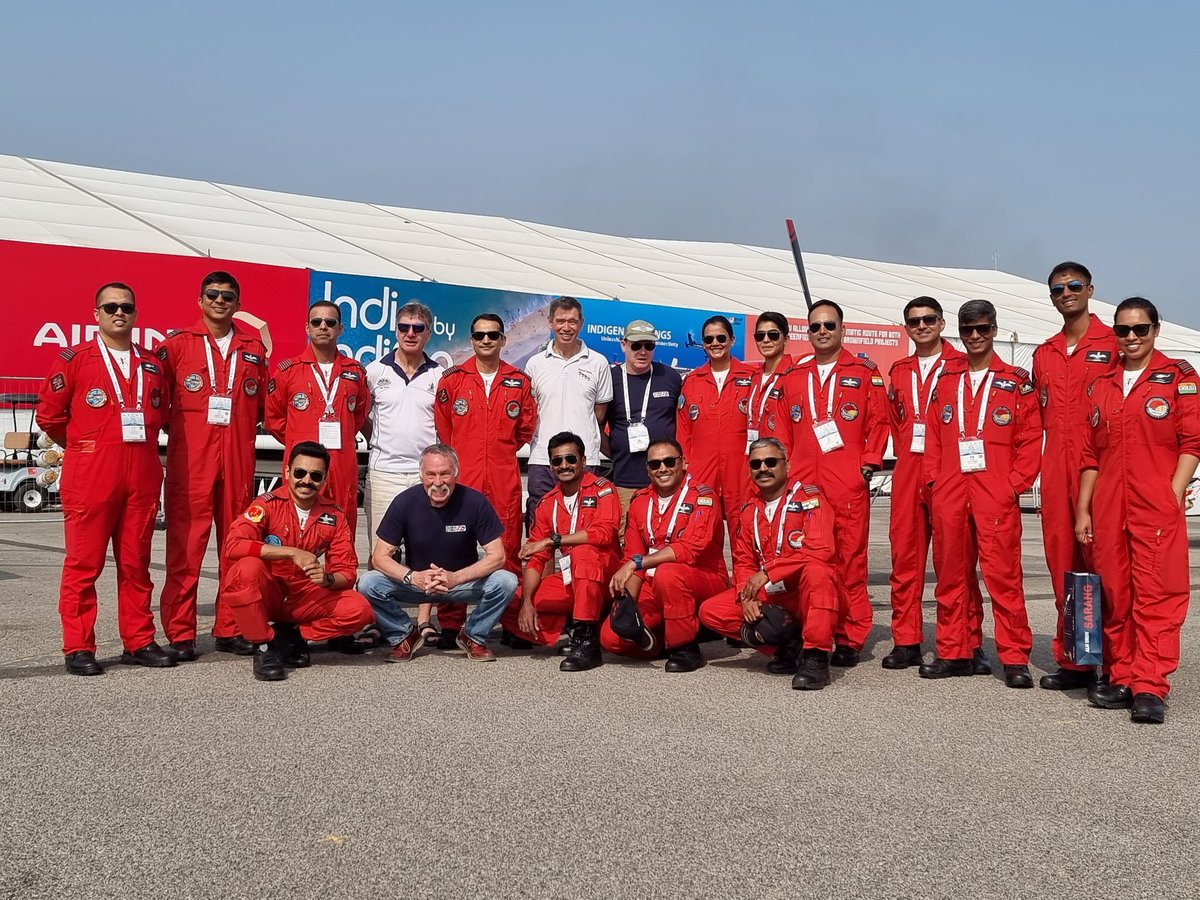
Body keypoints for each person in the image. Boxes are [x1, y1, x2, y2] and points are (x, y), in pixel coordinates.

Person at [38, 282, 173, 675]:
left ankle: (139, 640)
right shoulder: (75, 359)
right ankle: (78, 646)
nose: (119, 313)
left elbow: (161, 414)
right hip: (92, 472)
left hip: (142, 472)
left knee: (137, 563)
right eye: (110, 306)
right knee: (84, 564)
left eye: (127, 307)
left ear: (135, 313)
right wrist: (84, 444)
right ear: (95, 314)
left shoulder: (151, 364)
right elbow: (49, 415)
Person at [1076, 297, 1200, 724]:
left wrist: (1172, 491)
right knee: (1116, 594)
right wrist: (1084, 511)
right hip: (1109, 505)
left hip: (1154, 504)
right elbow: (1091, 455)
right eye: (1124, 330)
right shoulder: (1101, 386)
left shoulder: (1178, 378)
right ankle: (1122, 675)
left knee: (1157, 595)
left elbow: (1192, 443)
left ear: (1155, 330)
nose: (1131, 337)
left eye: (1140, 329)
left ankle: (1150, 685)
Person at [922, 299, 1041, 688]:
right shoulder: (946, 380)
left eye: (983, 329)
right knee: (951, 576)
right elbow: (934, 441)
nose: (975, 336)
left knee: (1003, 577)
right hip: (951, 489)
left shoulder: (1015, 380)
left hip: (995, 490)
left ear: (994, 330)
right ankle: (956, 651)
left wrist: (1013, 485)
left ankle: (1013, 656)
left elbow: (1030, 438)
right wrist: (936, 483)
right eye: (968, 329)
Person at [764, 300, 888, 667]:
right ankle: (806, 632)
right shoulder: (794, 376)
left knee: (849, 561)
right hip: (803, 485)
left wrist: (867, 464)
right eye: (815, 327)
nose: (822, 332)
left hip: (845, 483)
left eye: (829, 326)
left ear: (842, 330)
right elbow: (780, 427)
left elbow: (878, 423)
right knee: (800, 559)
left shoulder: (865, 373)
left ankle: (849, 636)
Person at [157, 271, 269, 660]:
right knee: (186, 550)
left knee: (237, 548)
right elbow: (157, 403)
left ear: (238, 303)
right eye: (213, 294)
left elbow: (262, 409)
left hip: (237, 459)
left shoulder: (253, 348)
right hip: (193, 461)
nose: (220, 301)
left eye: (228, 296)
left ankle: (230, 627)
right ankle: (181, 633)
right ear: (200, 300)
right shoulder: (176, 347)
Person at [882, 298, 987, 672]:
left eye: (928, 319)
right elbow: (896, 422)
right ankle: (906, 640)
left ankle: (967, 640)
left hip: (951, 470)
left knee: (957, 561)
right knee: (905, 560)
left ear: (942, 323)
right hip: (910, 469)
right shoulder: (898, 369)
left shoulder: (963, 364)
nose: (922, 325)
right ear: (906, 327)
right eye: (914, 321)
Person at [1031, 262, 1121, 692]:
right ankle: (1078, 659)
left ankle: (1121, 666)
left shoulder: (1115, 342)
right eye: (1057, 289)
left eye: (1073, 286)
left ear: (1090, 289)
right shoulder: (1044, 352)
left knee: (1107, 566)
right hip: (1056, 470)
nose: (1065, 293)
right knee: (1063, 564)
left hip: (1102, 469)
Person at [221, 442, 375, 682]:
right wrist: (290, 552)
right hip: (270, 592)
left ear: (324, 480)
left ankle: (292, 636)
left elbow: (347, 573)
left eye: (315, 475)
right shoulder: (266, 504)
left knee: (359, 609)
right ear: (287, 473)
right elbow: (233, 545)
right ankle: (263, 646)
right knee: (245, 569)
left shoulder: (334, 515)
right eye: (300, 473)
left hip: (305, 596)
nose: (306, 481)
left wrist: (327, 579)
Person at [698, 438, 840, 689]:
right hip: (772, 594)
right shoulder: (748, 509)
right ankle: (787, 646)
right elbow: (742, 560)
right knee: (711, 612)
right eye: (756, 464)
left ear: (787, 465)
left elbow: (821, 549)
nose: (763, 468)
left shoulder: (810, 499)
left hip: (804, 592)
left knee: (818, 571)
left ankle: (815, 658)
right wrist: (746, 595)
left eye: (771, 462)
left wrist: (768, 572)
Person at [357, 444, 517, 663]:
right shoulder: (404, 502)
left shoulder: (475, 501)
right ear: (421, 475)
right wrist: (414, 577)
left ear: (456, 474)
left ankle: (473, 636)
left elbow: (497, 555)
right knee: (368, 582)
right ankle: (404, 635)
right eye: (431, 474)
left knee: (506, 581)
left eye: (445, 474)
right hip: (417, 584)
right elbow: (380, 556)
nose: (438, 482)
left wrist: (455, 578)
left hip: (461, 584)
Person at [434, 314, 536, 644]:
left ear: (503, 339)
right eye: (480, 335)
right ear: (472, 339)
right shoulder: (453, 380)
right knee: (454, 547)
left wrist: (497, 453)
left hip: (504, 478)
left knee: (506, 549)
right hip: (464, 480)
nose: (486, 340)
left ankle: (509, 622)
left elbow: (523, 430)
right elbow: (444, 429)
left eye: (493, 335)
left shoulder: (518, 382)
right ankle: (450, 624)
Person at [601, 439, 729, 672]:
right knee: (612, 638)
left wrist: (637, 563)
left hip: (703, 578)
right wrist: (628, 605)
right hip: (653, 582)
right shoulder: (640, 501)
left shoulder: (703, 497)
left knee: (668, 572)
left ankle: (685, 648)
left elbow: (690, 548)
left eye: (669, 461)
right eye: (655, 464)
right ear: (648, 470)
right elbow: (633, 555)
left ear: (683, 463)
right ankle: (662, 640)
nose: (662, 468)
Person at [506, 432, 622, 671]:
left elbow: (604, 534)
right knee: (508, 597)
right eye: (557, 461)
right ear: (550, 466)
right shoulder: (548, 502)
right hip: (574, 579)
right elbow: (537, 558)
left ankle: (586, 643)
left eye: (570, 458)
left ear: (583, 460)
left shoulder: (603, 490)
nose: (564, 465)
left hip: (607, 577)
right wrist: (528, 601)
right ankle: (572, 625)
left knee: (583, 553)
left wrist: (552, 540)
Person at [264, 300, 371, 536]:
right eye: (317, 322)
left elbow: (359, 414)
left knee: (342, 530)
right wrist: (299, 439)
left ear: (340, 329)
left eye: (330, 322)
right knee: (294, 529)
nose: (323, 326)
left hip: (341, 464)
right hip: (302, 466)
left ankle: (339, 573)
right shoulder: (288, 371)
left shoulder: (355, 372)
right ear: (307, 327)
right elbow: (273, 419)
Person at [524, 297, 612, 524]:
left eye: (572, 321)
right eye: (560, 321)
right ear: (550, 323)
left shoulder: (598, 362)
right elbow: (531, 410)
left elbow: (599, 413)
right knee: (540, 532)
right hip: (543, 459)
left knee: (582, 527)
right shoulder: (535, 363)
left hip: (584, 460)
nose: (566, 327)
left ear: (581, 323)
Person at [363, 301, 444, 544]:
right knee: (382, 550)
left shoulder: (440, 375)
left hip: (426, 475)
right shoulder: (375, 371)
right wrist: (379, 441)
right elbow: (360, 418)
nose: (411, 333)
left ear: (428, 333)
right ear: (396, 331)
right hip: (383, 474)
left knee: (426, 547)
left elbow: (445, 424)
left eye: (418, 328)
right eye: (404, 327)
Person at [675, 315, 756, 539]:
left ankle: (743, 575)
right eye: (709, 339)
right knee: (701, 529)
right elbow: (683, 430)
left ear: (732, 339)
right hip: (702, 467)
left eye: (720, 337)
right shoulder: (692, 380)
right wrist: (686, 467)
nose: (715, 343)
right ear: (702, 343)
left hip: (739, 465)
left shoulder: (751, 377)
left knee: (742, 528)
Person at [603, 319, 683, 523]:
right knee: (626, 542)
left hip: (665, 481)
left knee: (665, 540)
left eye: (649, 345)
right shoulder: (610, 378)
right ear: (623, 344)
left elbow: (683, 424)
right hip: (625, 481)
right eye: (636, 345)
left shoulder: (670, 377)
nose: (642, 351)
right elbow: (595, 425)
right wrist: (616, 451)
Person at [746, 311, 798, 451]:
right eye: (760, 336)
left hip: (780, 460)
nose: (766, 340)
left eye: (773, 335)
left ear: (786, 339)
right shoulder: (754, 377)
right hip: (754, 457)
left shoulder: (795, 376)